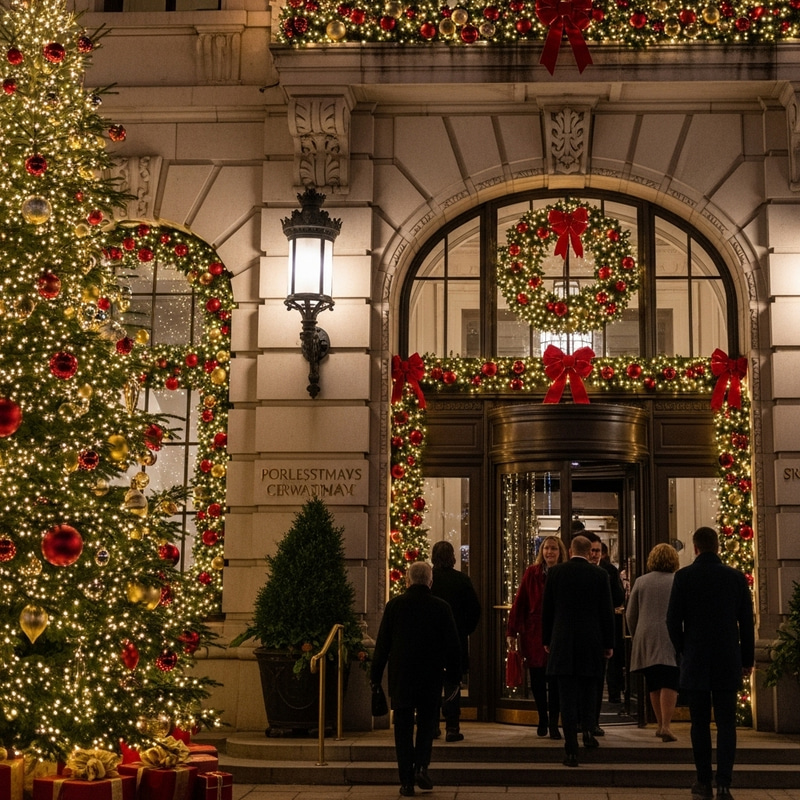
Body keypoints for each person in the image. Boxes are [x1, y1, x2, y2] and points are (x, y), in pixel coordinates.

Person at [666, 526, 755, 800]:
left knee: (699, 723)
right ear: (718, 547)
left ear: (695, 548)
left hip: (696, 659)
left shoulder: (684, 577)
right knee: (727, 723)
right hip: (728, 658)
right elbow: (747, 625)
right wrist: (746, 660)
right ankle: (725, 782)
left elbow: (672, 621)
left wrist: (683, 650)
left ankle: (703, 780)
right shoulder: (736, 578)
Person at [371, 560, 462, 797]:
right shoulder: (441, 607)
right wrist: (454, 675)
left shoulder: (395, 606)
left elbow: (382, 645)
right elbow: (453, 645)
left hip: (402, 675)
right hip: (430, 676)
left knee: (402, 728)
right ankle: (421, 766)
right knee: (426, 724)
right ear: (430, 581)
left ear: (408, 580)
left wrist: (375, 676)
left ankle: (406, 782)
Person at [541, 534, 615, 768]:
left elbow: (548, 610)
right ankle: (588, 733)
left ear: (570, 551)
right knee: (589, 691)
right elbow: (606, 612)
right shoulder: (600, 575)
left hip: (562, 640)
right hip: (591, 642)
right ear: (588, 552)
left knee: (566, 697)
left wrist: (547, 639)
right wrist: (609, 643)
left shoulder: (556, 573)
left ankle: (571, 749)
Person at [506, 535, 568, 739]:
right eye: (546, 548)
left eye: (554, 549)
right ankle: (542, 717)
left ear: (560, 553)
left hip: (558, 634)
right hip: (534, 634)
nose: (549, 552)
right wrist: (512, 631)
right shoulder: (531, 573)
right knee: (538, 682)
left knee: (557, 682)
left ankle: (553, 723)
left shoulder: (563, 573)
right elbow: (520, 602)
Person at [626, 543, 681, 742]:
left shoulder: (641, 581)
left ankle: (659, 724)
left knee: (654, 682)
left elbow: (631, 613)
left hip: (645, 635)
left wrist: (636, 634)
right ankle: (666, 725)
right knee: (670, 680)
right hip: (669, 635)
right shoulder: (677, 580)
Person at [430, 540, 482, 742]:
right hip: (455, 640)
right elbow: (475, 610)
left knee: (432, 685)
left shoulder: (429, 579)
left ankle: (432, 725)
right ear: (452, 557)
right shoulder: (461, 580)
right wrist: (464, 630)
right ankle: (452, 726)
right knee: (453, 685)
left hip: (432, 643)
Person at [585, 531, 626, 732]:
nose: (595, 555)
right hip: (580, 634)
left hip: (600, 632)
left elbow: (619, 598)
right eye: (592, 551)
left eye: (598, 551)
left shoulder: (609, 570)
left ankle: (594, 721)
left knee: (597, 680)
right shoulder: (575, 570)